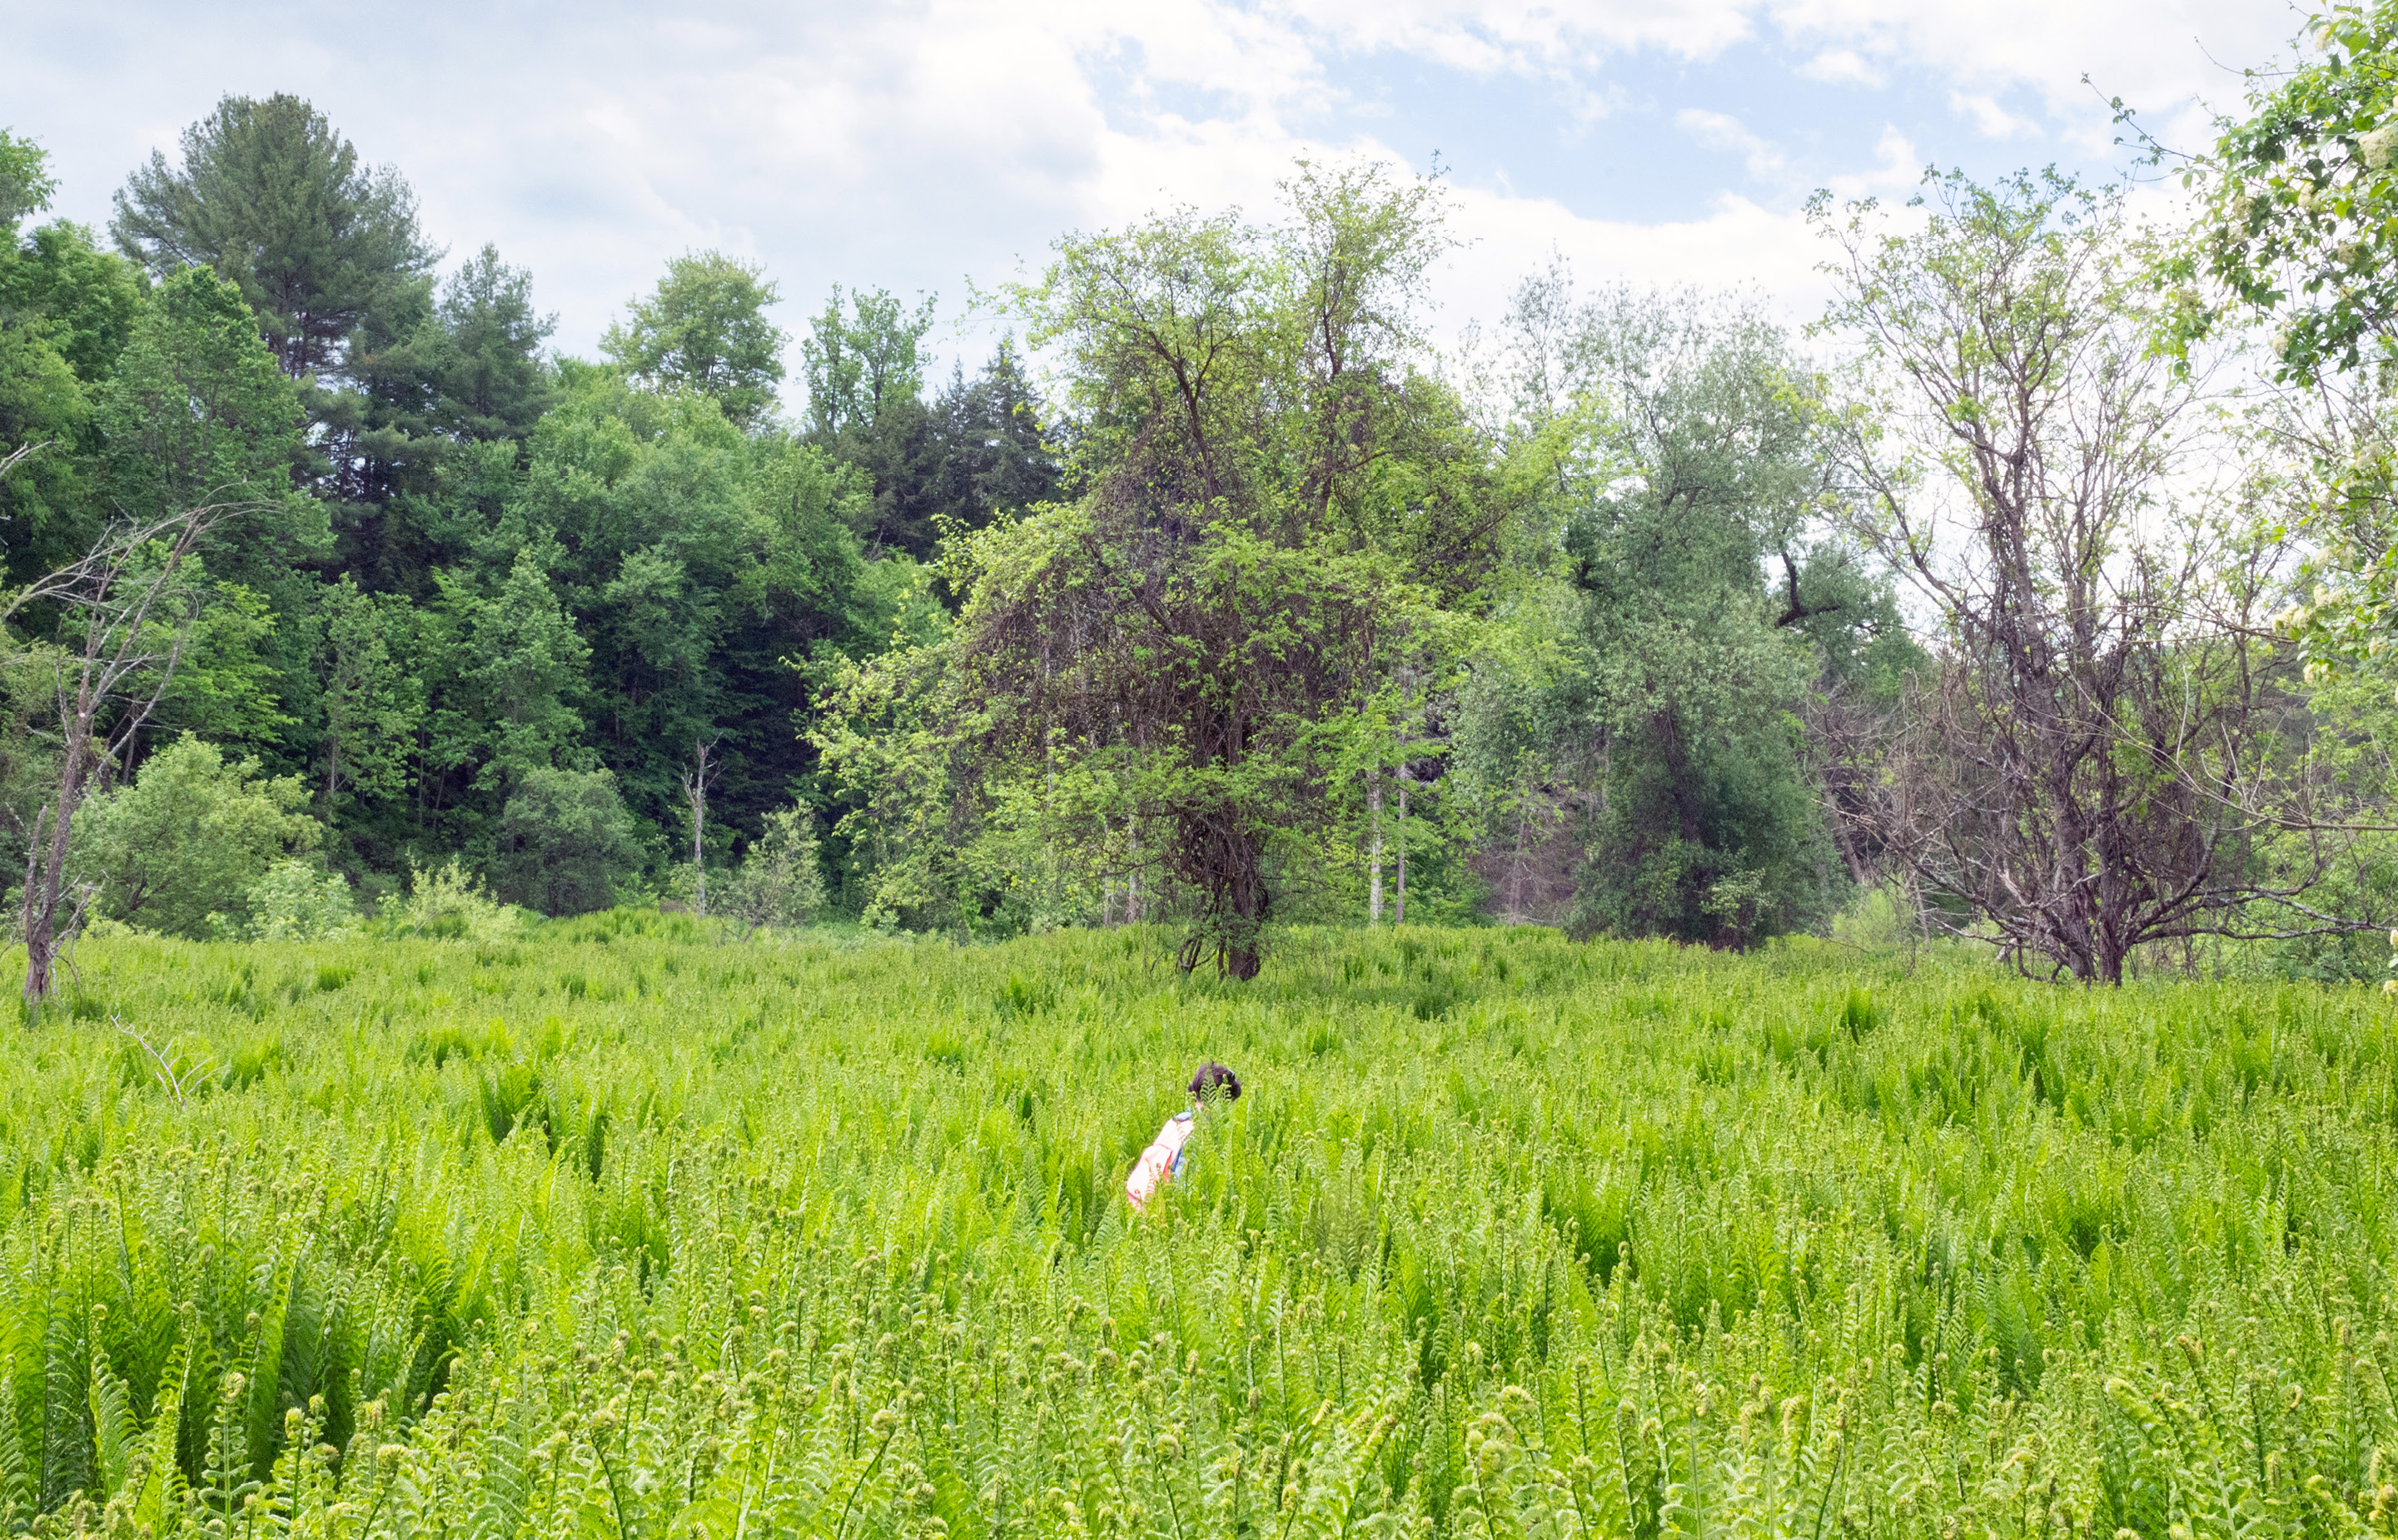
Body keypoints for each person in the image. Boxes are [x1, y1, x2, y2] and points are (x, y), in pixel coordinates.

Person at [1126, 1061, 1241, 1211]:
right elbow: (1183, 1193)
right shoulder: (1197, 1135)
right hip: (1155, 1215)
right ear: (1220, 1102)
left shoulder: (1177, 1121)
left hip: (1133, 1204)